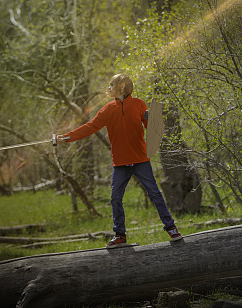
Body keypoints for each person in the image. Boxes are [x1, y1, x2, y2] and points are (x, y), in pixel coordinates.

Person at [58, 73, 182, 249]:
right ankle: (120, 235)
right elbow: (90, 127)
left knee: (155, 194)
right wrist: (67, 137)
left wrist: (153, 120)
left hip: (140, 160)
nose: (108, 88)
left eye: (111, 85)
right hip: (120, 164)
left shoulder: (139, 104)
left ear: (121, 87)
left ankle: (171, 228)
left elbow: (152, 130)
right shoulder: (108, 110)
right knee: (115, 198)